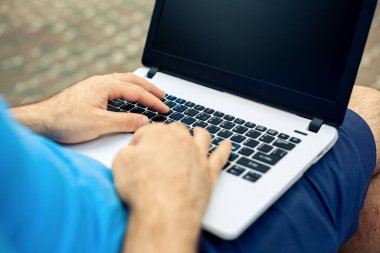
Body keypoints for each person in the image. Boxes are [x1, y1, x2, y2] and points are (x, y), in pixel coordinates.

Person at [0, 73, 379, 253]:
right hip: (164, 233)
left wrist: (41, 116)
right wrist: (164, 201)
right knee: (367, 108)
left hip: (83, 173)